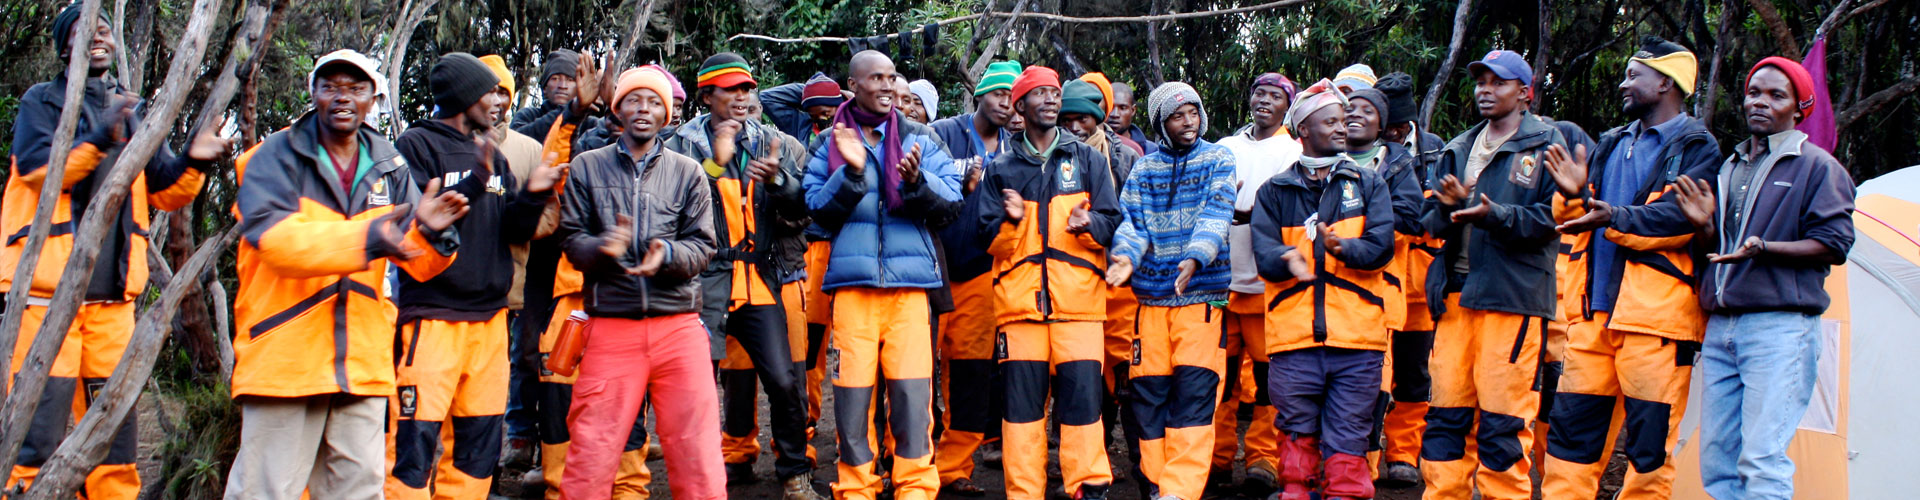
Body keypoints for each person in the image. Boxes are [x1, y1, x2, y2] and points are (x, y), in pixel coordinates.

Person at [223, 50, 468, 499]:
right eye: (331, 86)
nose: (343, 98)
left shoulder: (388, 163)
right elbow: (278, 244)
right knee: (265, 491)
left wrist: (433, 235)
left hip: (362, 364)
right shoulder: (273, 157)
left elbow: (418, 261)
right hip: (285, 360)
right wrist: (372, 238)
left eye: (355, 89)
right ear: (313, 93)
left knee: (359, 491)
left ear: (373, 99)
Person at [4, 5, 224, 498]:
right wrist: (102, 134)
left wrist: (195, 159)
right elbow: (40, 171)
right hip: (46, 300)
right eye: (85, 30)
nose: (99, 36)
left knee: (113, 435)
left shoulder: (134, 107)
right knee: (35, 433)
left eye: (105, 28)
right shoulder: (41, 102)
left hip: (112, 308)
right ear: (66, 45)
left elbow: (166, 189)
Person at [1532, 36, 1721, 499]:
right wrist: (1575, 195)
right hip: (1591, 317)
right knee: (1571, 442)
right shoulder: (1613, 142)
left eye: (1634, 75)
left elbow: (1677, 219)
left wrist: (1613, 216)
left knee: (1648, 451)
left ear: (1665, 83)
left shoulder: (1697, 146)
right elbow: (1580, 213)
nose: (1623, 84)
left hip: (1654, 324)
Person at [385, 52, 564, 500]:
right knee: (412, 447)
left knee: (478, 446)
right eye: (490, 92)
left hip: (489, 322)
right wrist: (472, 181)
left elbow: (513, 229)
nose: (499, 101)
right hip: (431, 319)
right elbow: (418, 225)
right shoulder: (416, 146)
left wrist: (536, 192)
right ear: (465, 96)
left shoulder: (492, 154)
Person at [1686, 57, 1855, 500]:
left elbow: (1835, 243)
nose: (1760, 102)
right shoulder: (1729, 167)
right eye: (1754, 92)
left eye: (1776, 95)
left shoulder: (1818, 167)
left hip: (1780, 328)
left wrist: (1766, 248)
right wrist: (1704, 225)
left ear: (1799, 109)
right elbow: (1719, 247)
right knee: (1718, 463)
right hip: (1722, 327)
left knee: (1762, 461)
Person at [554, 65, 724, 500]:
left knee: (697, 449)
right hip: (610, 325)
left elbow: (704, 246)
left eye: (653, 102)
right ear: (618, 108)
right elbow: (571, 239)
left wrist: (665, 255)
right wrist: (603, 249)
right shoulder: (587, 167)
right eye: (633, 100)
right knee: (591, 447)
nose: (643, 109)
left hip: (678, 326)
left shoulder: (689, 172)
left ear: (666, 114)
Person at [804, 50, 962, 500]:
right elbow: (814, 208)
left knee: (913, 398)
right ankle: (856, 486)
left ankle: (914, 487)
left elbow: (951, 203)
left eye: (893, 77)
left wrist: (916, 184)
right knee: (853, 399)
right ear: (853, 85)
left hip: (910, 291)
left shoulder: (921, 138)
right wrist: (852, 173)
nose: (889, 86)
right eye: (877, 78)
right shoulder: (830, 142)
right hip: (853, 291)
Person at [663, 52, 821, 499]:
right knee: (696, 389)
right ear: (706, 94)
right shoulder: (679, 144)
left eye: (747, 88)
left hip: (760, 277)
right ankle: (698, 484)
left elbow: (804, 209)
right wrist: (716, 163)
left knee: (785, 380)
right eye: (730, 88)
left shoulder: (776, 142)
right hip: (704, 279)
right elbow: (672, 206)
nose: (741, 96)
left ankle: (795, 475)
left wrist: (779, 183)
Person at [1417, 50, 1567, 500]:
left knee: (1503, 422)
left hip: (1511, 299)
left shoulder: (1547, 145)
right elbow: (1429, 223)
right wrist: (1449, 208)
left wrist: (1492, 214)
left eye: (1498, 83)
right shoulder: (1458, 147)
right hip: (1456, 297)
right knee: (1445, 415)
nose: (1485, 90)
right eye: (1480, 81)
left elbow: (1553, 219)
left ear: (1525, 93)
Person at [969, 65, 1123, 500]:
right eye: (1041, 94)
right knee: (1020, 415)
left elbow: (1112, 221)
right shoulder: (1000, 168)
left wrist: (1088, 222)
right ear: (1020, 106)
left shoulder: (1089, 160)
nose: (1053, 100)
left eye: (1055, 93)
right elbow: (986, 239)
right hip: (1019, 311)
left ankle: (1088, 488)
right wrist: (1011, 220)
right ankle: (1025, 492)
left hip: (1080, 308)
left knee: (1082, 408)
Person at [1253, 79, 1397, 500]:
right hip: (1293, 343)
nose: (1342, 126)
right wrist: (1289, 258)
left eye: (1344, 119)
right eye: (1330, 121)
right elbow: (1264, 255)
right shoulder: (1274, 192)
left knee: (1349, 435)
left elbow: (1381, 248)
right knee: (1297, 434)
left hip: (1358, 342)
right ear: (1303, 133)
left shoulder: (1368, 185)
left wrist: (1341, 247)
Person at [1106, 81, 1236, 500]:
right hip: (1150, 304)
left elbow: (1218, 209)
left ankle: (1180, 491)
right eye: (1178, 116)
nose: (1188, 122)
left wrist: (1197, 255)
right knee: (1147, 400)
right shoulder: (1145, 169)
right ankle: (1159, 484)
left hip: (1199, 301)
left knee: (1194, 400)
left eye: (1193, 113)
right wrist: (1125, 257)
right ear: (1161, 123)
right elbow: (1132, 221)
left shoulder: (1218, 157)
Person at [926, 59, 1022, 497]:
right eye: (999, 93)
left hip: (983, 273)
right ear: (980, 93)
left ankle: (955, 466)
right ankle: (907, 461)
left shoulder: (1013, 149)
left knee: (970, 376)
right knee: (918, 374)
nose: (1006, 102)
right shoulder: (943, 132)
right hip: (933, 270)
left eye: (1012, 96)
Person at [1206, 72, 1298, 494]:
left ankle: (1263, 460)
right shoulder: (1225, 148)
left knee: (1266, 382)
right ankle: (1216, 458)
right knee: (1219, 377)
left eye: (1275, 96)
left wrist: (1239, 209)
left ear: (1287, 107)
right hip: (1221, 282)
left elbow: (1272, 207)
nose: (1264, 101)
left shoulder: (1292, 151)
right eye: (1259, 93)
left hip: (1266, 288)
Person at [1341, 80, 1429, 487]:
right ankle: (1339, 473)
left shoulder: (1409, 159)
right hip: (1333, 294)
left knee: (1398, 378)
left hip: (1400, 289)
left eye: (1369, 110)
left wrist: (1353, 227)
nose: (1356, 115)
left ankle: (1387, 461)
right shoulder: (1319, 158)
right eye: (1349, 108)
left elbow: (1415, 216)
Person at [478, 53, 563, 474]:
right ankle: (505, 449)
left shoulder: (527, 147)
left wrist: (519, 214)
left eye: (501, 91)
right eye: (485, 89)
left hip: (520, 279)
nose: (494, 100)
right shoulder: (434, 143)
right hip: (454, 292)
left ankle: (523, 447)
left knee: (528, 359)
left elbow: (548, 215)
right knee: (505, 368)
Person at [1370, 72, 1444, 487]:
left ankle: (1404, 454)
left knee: (1414, 375)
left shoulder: (1437, 152)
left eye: (1400, 127)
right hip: (1380, 285)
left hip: (1423, 288)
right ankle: (1366, 456)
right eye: (1389, 127)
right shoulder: (1369, 153)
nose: (1394, 133)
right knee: (1375, 376)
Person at [513, 49, 582, 141]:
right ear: (545, 87)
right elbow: (516, 141)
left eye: (570, 80)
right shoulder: (527, 116)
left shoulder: (590, 124)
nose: (562, 86)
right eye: (555, 78)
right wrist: (569, 112)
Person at [761, 72, 845, 145]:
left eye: (825, 113)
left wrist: (839, 95)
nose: (821, 119)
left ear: (838, 106)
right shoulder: (800, 126)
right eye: (814, 116)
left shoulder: (852, 122)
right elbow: (766, 98)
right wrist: (808, 92)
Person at [1106, 81, 1157, 156]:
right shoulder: (1092, 145)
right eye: (1110, 107)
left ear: (1133, 110)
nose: (1115, 114)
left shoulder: (1150, 151)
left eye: (1122, 108)